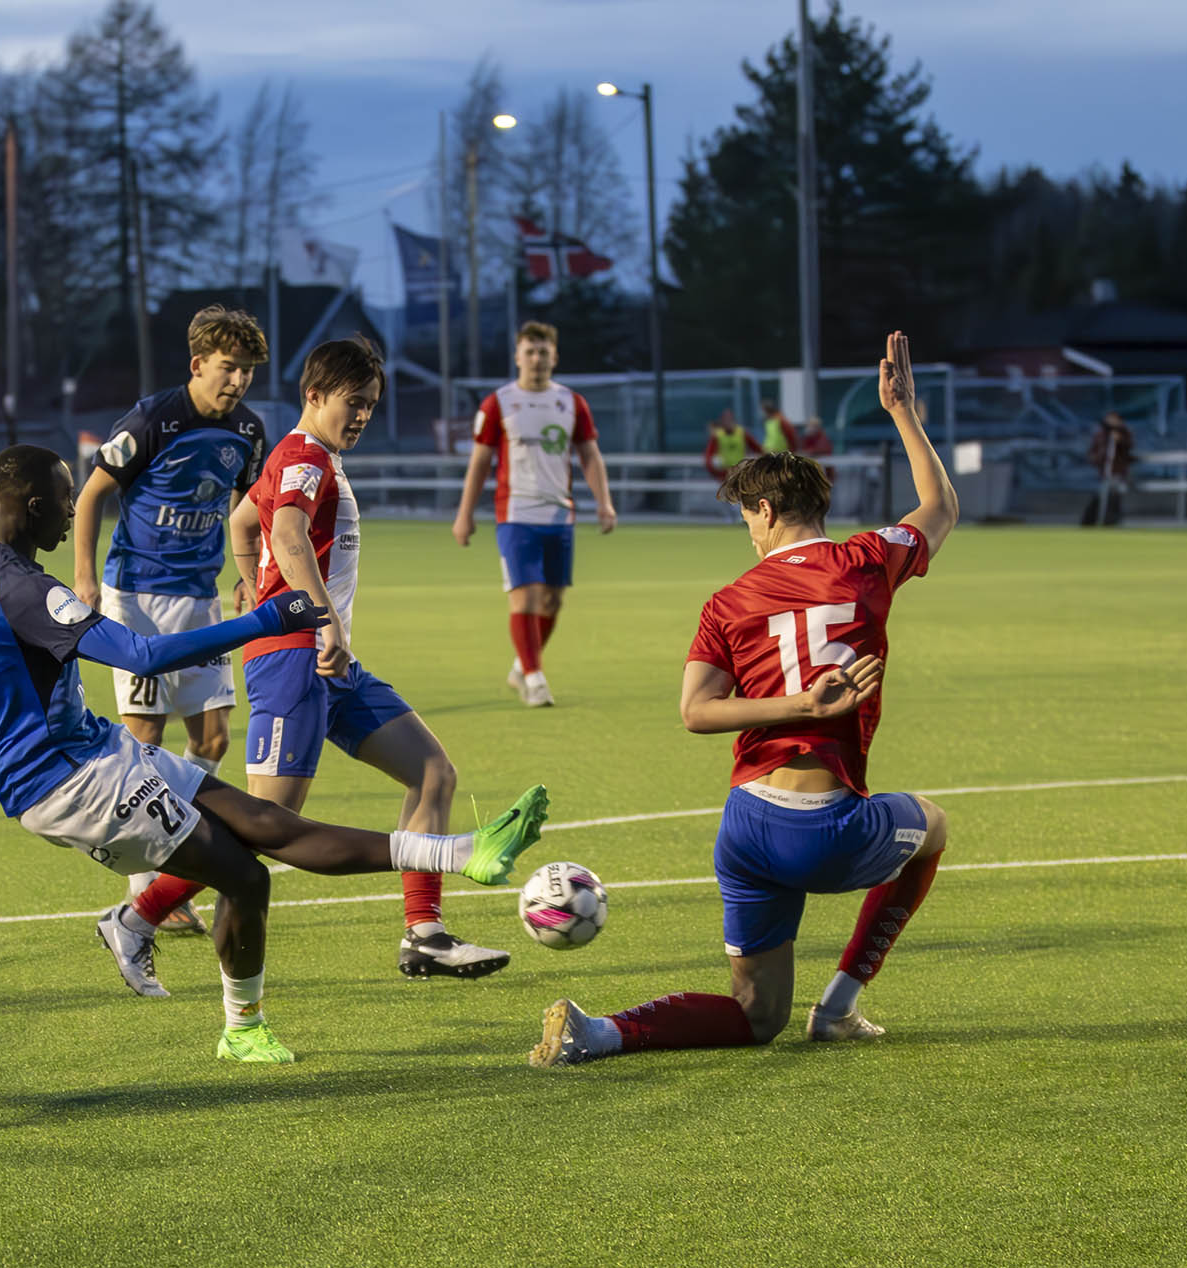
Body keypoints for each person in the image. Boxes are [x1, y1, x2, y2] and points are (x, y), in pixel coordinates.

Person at [0, 444, 550, 1061]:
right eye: (65, 499)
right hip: (71, 784)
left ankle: (463, 852)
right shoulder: (30, 590)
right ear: (33, 507)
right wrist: (268, 620)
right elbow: (142, 656)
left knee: (262, 821)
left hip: (94, 751)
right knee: (246, 874)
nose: (75, 509)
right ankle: (242, 1027)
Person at [530, 331, 959, 1068]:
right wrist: (902, 414)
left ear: (766, 509)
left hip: (747, 828)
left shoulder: (727, 601)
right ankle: (840, 1006)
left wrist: (790, 706)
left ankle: (599, 1031)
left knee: (758, 1015)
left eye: (746, 517)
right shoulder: (866, 559)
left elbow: (696, 712)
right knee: (935, 826)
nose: (748, 533)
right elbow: (941, 506)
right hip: (824, 829)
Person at [132, 337, 519, 981]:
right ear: (314, 395)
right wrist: (322, 617)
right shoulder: (304, 455)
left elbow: (244, 523)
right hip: (294, 659)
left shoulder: (304, 456)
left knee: (432, 773)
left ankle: (425, 935)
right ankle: (138, 915)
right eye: (353, 402)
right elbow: (284, 531)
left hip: (329, 664)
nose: (362, 415)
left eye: (370, 404)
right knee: (264, 830)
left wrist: (253, 584)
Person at [71, 305, 270, 934]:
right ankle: (145, 886)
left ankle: (171, 855)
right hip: (136, 599)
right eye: (228, 367)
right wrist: (84, 579)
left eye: (247, 370)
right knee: (146, 740)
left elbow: (246, 507)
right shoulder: (154, 418)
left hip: (199, 600)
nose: (238, 380)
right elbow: (91, 494)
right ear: (198, 364)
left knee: (211, 740)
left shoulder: (249, 430)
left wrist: (247, 573)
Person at [451, 319, 618, 708]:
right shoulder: (498, 403)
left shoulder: (572, 403)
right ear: (517, 356)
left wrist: (604, 502)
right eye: (530, 351)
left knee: (552, 602)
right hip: (515, 514)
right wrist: (465, 513)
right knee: (524, 598)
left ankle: (521, 665)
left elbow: (590, 455)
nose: (537, 358)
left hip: (559, 516)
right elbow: (480, 462)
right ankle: (535, 678)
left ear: (554, 357)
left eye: (544, 352)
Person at [1081, 411, 1134, 526]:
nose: (1112, 422)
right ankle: (1090, 520)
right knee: (1101, 496)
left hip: (1118, 472)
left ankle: (1110, 521)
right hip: (1103, 472)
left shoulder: (1124, 433)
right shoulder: (1101, 435)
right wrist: (1098, 459)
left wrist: (1120, 440)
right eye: (1110, 419)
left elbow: (1128, 448)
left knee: (1113, 496)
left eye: (1115, 419)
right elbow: (1093, 452)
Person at [702, 408, 761, 484]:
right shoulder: (717, 436)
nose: (728, 422)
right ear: (722, 421)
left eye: (730, 419)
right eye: (726, 419)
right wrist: (716, 473)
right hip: (725, 474)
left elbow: (757, 448)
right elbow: (708, 457)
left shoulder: (742, 433)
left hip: (740, 472)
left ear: (733, 420)